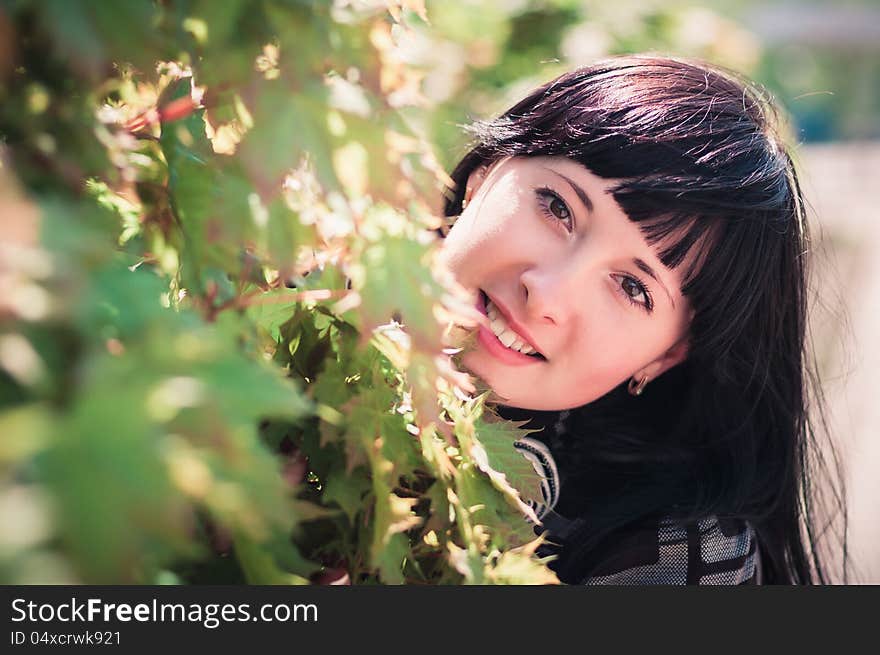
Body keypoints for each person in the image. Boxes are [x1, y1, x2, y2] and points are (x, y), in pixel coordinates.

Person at [437, 55, 848, 585]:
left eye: (633, 287)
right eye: (557, 208)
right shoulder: (303, 298)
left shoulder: (675, 563)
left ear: (667, 354)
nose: (546, 294)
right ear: (484, 173)